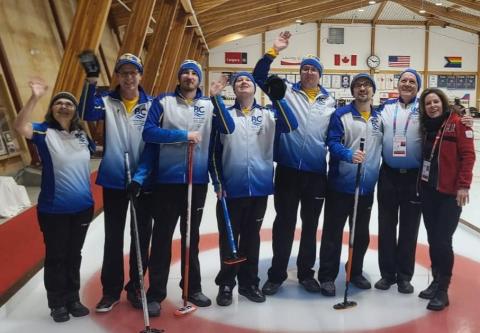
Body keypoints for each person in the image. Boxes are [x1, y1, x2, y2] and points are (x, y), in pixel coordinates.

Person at [132, 60, 235, 317]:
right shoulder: (163, 102)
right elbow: (149, 133)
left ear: (199, 80)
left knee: (192, 238)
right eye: (185, 73)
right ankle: (155, 292)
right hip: (166, 184)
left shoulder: (209, 105)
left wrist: (218, 98)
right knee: (163, 238)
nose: (189, 76)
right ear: (179, 78)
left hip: (196, 183)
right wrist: (182, 136)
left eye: (194, 73)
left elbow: (228, 128)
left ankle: (192, 288)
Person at [253, 31, 336, 295]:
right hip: (288, 171)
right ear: (300, 73)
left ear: (320, 75)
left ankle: (305, 274)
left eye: (314, 69)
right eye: (305, 69)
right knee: (284, 224)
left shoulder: (330, 101)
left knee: (310, 227)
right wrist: (274, 51)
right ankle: (276, 274)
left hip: (315, 174)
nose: (309, 73)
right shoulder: (285, 91)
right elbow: (258, 76)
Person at [209, 72, 297, 306]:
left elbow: (291, 125)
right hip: (231, 190)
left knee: (251, 238)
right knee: (229, 240)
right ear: (234, 90)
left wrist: (278, 99)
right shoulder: (224, 114)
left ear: (255, 88)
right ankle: (227, 284)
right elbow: (213, 153)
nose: (244, 82)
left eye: (248, 80)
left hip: (258, 189)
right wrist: (218, 182)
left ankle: (249, 283)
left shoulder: (268, 114)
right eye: (239, 81)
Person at [78, 53, 155, 312]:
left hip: (142, 182)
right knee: (113, 237)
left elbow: (154, 145)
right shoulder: (106, 102)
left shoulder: (152, 105)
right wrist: (90, 81)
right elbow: (85, 112)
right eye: (124, 73)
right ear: (118, 77)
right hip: (114, 180)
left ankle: (135, 288)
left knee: (141, 236)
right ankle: (110, 291)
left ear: (140, 76)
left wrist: (142, 177)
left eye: (133, 72)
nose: (129, 77)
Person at [14, 78, 94, 322]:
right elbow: (19, 126)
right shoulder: (42, 131)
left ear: (74, 110)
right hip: (54, 209)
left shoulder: (82, 135)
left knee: (74, 254)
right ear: (52, 109)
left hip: (82, 208)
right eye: (58, 103)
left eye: (68, 103)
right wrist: (35, 97)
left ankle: (73, 298)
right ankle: (57, 303)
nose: (63, 106)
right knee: (57, 255)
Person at [318, 74, 382, 296]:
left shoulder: (379, 117)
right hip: (340, 187)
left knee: (361, 235)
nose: (362, 89)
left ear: (373, 91)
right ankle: (327, 276)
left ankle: (354, 271)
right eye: (358, 85)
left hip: (365, 188)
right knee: (332, 234)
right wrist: (348, 155)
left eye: (366, 85)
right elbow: (332, 143)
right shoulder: (341, 115)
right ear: (352, 91)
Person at [417, 88, 475, 311]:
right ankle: (435, 280)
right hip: (428, 191)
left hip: (450, 194)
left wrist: (463, 185)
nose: (432, 106)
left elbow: (468, 156)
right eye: (428, 103)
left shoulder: (459, 123)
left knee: (443, 240)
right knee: (433, 239)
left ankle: (443, 290)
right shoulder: (424, 127)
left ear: (443, 103)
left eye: (436, 102)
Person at [374, 69, 424, 294]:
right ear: (398, 84)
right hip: (388, 175)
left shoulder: (424, 108)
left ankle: (404, 276)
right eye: (403, 80)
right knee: (385, 226)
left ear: (418, 86)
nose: (407, 84)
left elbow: (445, 120)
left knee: (409, 228)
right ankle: (387, 275)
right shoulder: (385, 108)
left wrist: (462, 117)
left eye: (412, 81)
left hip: (413, 177)